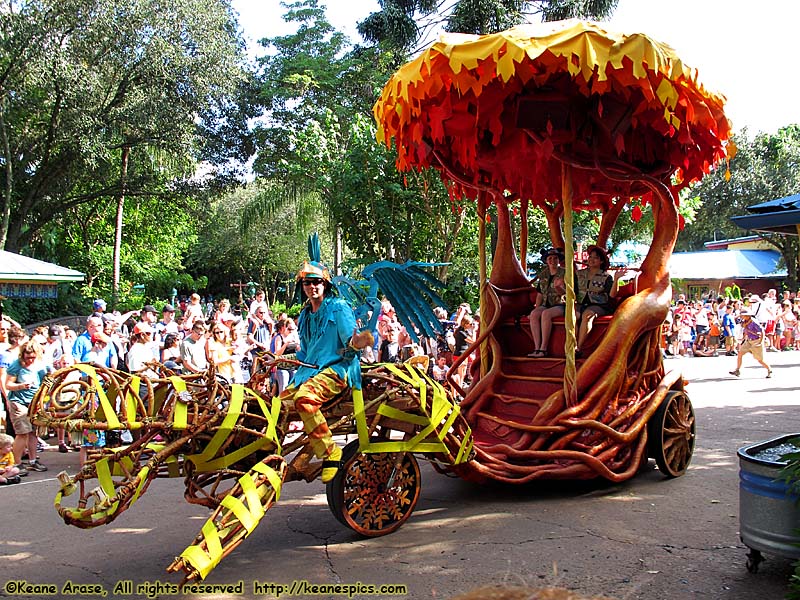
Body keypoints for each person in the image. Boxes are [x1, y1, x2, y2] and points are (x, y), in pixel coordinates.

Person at [277, 259, 372, 483]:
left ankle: (331, 452)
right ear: (303, 286)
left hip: (339, 370)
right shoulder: (305, 316)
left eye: (317, 281)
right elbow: (306, 355)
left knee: (305, 400)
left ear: (325, 284)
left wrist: (357, 342)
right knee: (274, 406)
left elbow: (349, 346)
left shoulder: (338, 307)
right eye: (307, 282)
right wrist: (278, 360)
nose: (312, 286)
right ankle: (270, 453)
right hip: (309, 373)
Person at [5, 340, 50, 473]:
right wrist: (21, 386)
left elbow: (45, 382)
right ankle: (17, 462)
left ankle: (32, 460)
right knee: (22, 432)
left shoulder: (40, 365)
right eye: (27, 357)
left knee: (34, 432)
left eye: (32, 357)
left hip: (35, 402)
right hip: (19, 401)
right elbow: (8, 385)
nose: (30, 360)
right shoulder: (16, 366)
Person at [574, 245, 622, 357]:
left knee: (587, 315)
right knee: (573, 315)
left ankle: (578, 347)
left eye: (595, 257)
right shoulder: (579, 274)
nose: (591, 259)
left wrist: (617, 280)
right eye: (590, 256)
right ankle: (571, 343)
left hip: (599, 304)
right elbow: (573, 290)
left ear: (601, 261)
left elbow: (612, 295)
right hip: (581, 303)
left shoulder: (606, 276)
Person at [528, 248, 566, 357]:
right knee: (534, 314)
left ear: (559, 260)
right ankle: (536, 347)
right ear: (546, 261)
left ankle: (543, 348)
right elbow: (540, 294)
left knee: (546, 314)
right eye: (550, 258)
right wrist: (536, 307)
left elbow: (569, 294)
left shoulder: (565, 273)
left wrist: (560, 289)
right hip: (546, 304)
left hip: (561, 304)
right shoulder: (543, 275)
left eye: (555, 258)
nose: (553, 261)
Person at [729, 309, 772, 378]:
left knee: (760, 360)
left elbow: (762, 332)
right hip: (749, 341)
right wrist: (743, 338)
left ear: (747, 316)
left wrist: (760, 342)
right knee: (740, 353)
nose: (742, 317)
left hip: (756, 341)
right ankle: (737, 370)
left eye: (743, 315)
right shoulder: (745, 321)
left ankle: (769, 370)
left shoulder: (754, 322)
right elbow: (746, 330)